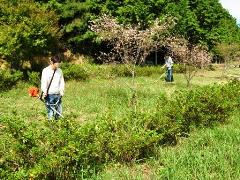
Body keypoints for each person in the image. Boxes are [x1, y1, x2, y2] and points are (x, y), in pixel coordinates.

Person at [41, 55, 65, 120]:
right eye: (56, 64)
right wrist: (44, 92)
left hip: (58, 94)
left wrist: (62, 91)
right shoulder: (45, 71)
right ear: (52, 62)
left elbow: (61, 82)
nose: (58, 66)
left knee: (59, 112)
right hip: (49, 95)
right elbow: (44, 82)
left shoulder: (60, 71)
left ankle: (58, 126)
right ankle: (51, 126)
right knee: (50, 113)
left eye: (59, 64)